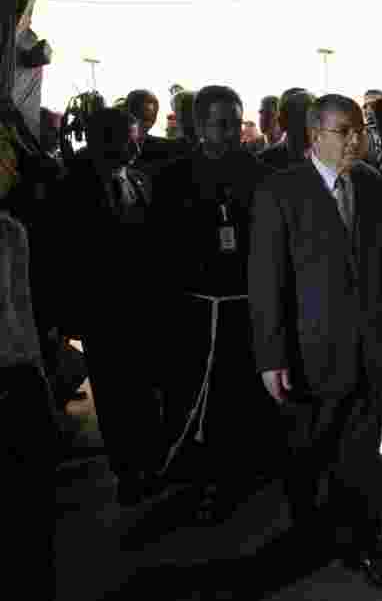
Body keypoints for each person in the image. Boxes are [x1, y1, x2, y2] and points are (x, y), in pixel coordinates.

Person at [249, 94, 382, 590]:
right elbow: (266, 278)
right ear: (315, 135)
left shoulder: (372, 184)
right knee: (309, 451)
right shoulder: (280, 190)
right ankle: (307, 538)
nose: (355, 139)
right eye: (345, 131)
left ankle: (361, 543)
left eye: (359, 129)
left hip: (366, 346)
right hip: (308, 349)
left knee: (360, 453)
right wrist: (271, 356)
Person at [151, 85, 276, 522]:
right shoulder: (171, 177)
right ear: (200, 126)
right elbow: (161, 251)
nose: (230, 133)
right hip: (195, 312)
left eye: (235, 123)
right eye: (220, 124)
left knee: (241, 399)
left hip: (245, 308)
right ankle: (200, 479)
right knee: (196, 399)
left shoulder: (260, 175)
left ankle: (241, 475)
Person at [60, 107, 165, 507]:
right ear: (104, 139)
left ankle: (151, 463)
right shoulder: (72, 187)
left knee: (143, 390)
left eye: (135, 134)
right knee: (114, 396)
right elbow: (64, 257)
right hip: (103, 314)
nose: (136, 143)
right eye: (128, 136)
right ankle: (128, 472)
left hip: (143, 311)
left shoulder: (138, 180)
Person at [1, 125, 59, 601]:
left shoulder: (12, 233)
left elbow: (22, 312)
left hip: (19, 378)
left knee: (32, 511)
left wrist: (38, 378)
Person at [259, 88, 315, 170]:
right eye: (299, 116)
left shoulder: (327, 159)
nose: (307, 124)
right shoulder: (264, 162)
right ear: (281, 121)